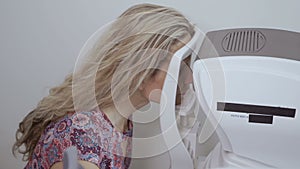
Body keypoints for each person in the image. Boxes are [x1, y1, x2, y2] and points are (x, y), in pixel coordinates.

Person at [13, 3, 195, 169]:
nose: (190, 80)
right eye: (180, 68)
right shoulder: (82, 139)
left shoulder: (121, 123)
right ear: (141, 71)